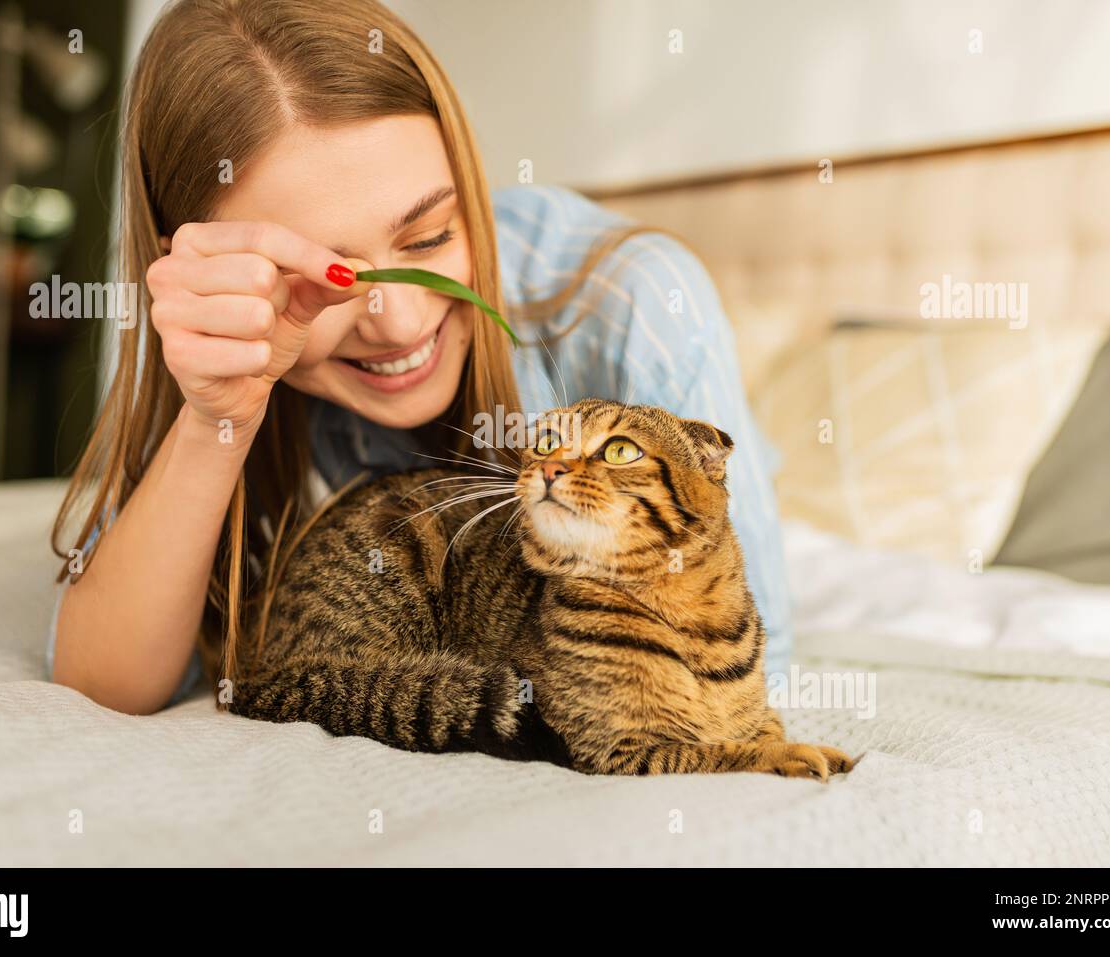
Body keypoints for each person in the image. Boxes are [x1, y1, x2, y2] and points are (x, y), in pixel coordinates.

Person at [48, 0, 790, 715]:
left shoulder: (632, 303)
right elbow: (105, 684)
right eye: (323, 279)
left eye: (431, 239)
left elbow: (748, 664)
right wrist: (220, 417)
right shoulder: (227, 345)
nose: (400, 325)